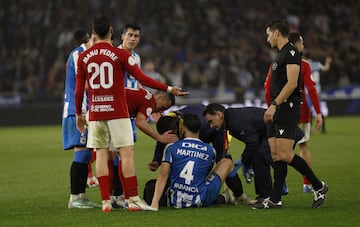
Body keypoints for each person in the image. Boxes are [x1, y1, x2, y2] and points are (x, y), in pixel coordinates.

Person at [75, 15, 189, 212]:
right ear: (112, 31)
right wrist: (169, 89)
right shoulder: (120, 54)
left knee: (101, 155)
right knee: (126, 154)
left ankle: (105, 201)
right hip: (118, 111)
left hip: (95, 112)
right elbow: (143, 79)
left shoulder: (85, 56)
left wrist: (79, 114)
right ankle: (133, 199)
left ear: (94, 32)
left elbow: (79, 90)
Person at [253, 19, 328, 209]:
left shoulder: (292, 53)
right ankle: (275, 199)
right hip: (275, 109)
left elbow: (292, 84)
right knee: (276, 155)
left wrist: (275, 105)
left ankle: (318, 186)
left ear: (277, 33)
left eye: (269, 34)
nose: (267, 38)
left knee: (286, 154)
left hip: (286, 109)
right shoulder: (280, 55)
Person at [146, 104, 252, 205]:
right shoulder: (171, 121)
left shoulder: (203, 127)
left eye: (171, 136)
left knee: (223, 160)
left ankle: (239, 195)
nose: (168, 140)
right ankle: (211, 195)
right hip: (196, 136)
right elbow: (163, 139)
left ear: (179, 130)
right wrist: (156, 160)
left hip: (214, 132)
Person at [203, 103, 304, 204]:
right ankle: (265, 195)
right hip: (275, 131)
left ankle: (285, 185)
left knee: (266, 154)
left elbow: (252, 142)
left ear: (219, 114)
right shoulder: (230, 119)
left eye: (211, 121)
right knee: (258, 155)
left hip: (285, 131)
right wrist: (246, 160)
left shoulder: (235, 122)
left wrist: (244, 161)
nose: (211, 126)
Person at [87, 23, 143, 188]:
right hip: (114, 111)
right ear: (122, 36)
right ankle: (116, 195)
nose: (132, 39)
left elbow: (137, 83)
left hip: (129, 112)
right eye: (130, 35)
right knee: (113, 154)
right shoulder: (114, 55)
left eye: (136, 36)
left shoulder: (136, 58)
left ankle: (117, 195)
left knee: (122, 154)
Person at [111, 88, 178, 208]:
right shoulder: (150, 100)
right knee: (125, 156)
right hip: (112, 115)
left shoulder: (142, 95)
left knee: (110, 156)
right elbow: (140, 122)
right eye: (163, 108)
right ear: (159, 98)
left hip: (103, 109)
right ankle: (130, 199)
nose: (161, 111)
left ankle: (112, 199)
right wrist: (159, 137)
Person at [62, 30, 99, 208]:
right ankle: (74, 198)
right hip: (77, 112)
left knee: (85, 155)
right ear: (91, 39)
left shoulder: (87, 54)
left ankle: (80, 196)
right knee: (82, 153)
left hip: (84, 111)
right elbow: (81, 83)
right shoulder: (78, 55)